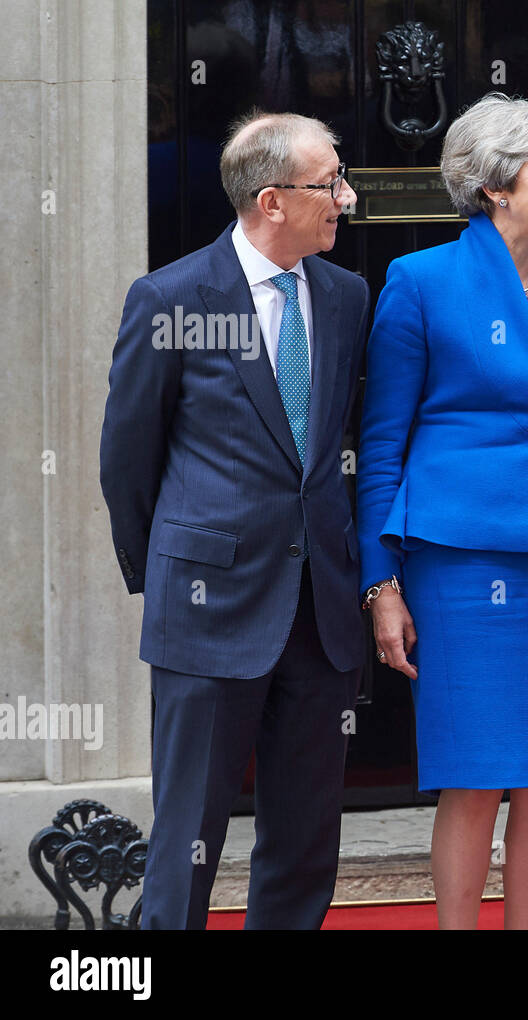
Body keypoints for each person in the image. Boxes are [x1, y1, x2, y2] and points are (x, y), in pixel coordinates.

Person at [356, 93, 528, 930]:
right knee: (473, 774)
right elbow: (382, 443)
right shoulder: (422, 281)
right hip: (461, 561)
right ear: (496, 187)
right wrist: (381, 583)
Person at [100, 111, 367, 929]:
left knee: (304, 840)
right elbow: (126, 462)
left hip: (319, 611)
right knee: (188, 840)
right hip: (207, 612)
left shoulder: (348, 296)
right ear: (272, 199)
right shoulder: (172, 297)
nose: (346, 199)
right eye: (330, 185)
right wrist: (173, 577)